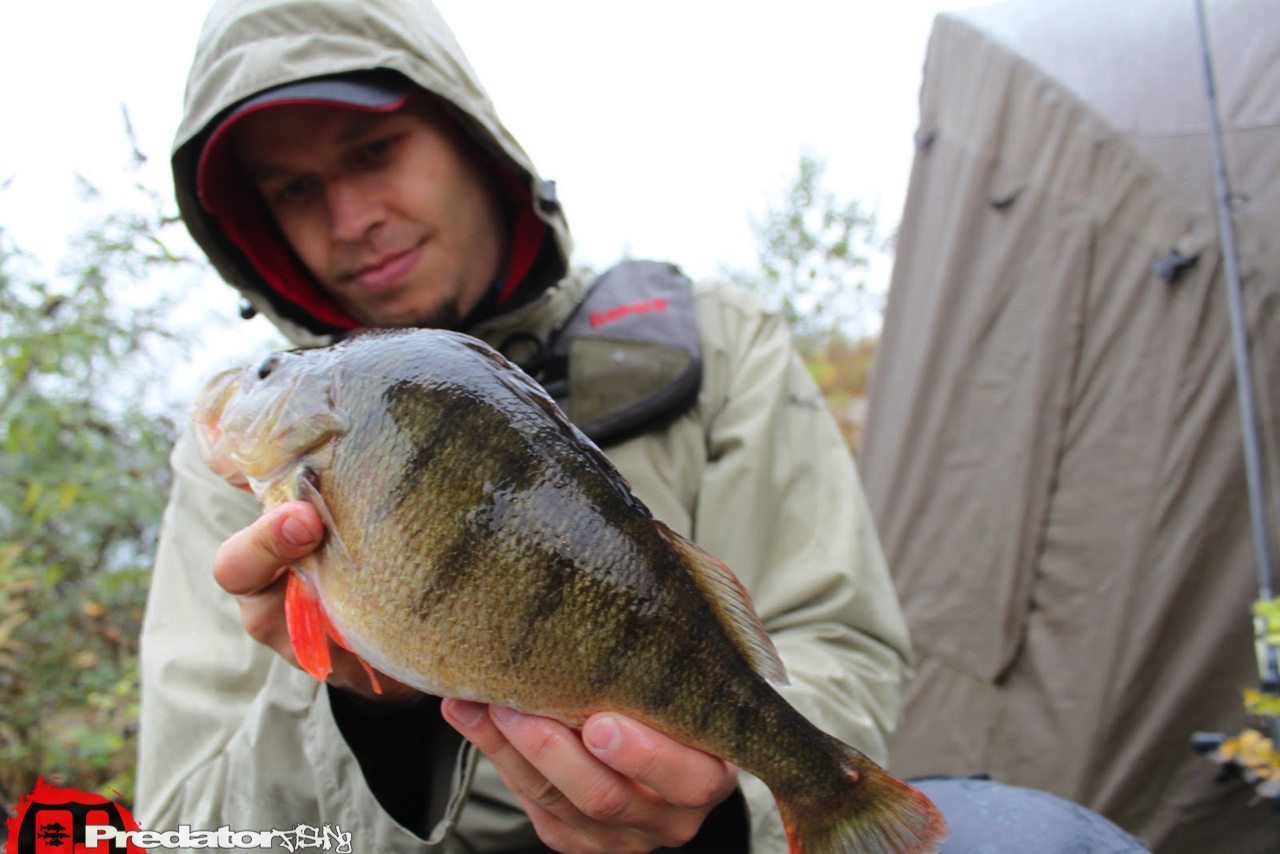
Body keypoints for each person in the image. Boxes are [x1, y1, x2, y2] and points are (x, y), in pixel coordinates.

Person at [135, 0, 914, 850]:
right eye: (292, 189)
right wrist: (359, 705)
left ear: (471, 137)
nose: (352, 218)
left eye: (374, 151)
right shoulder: (238, 480)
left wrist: (722, 819)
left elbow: (846, 645)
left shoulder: (722, 342)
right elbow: (184, 828)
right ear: (257, 227)